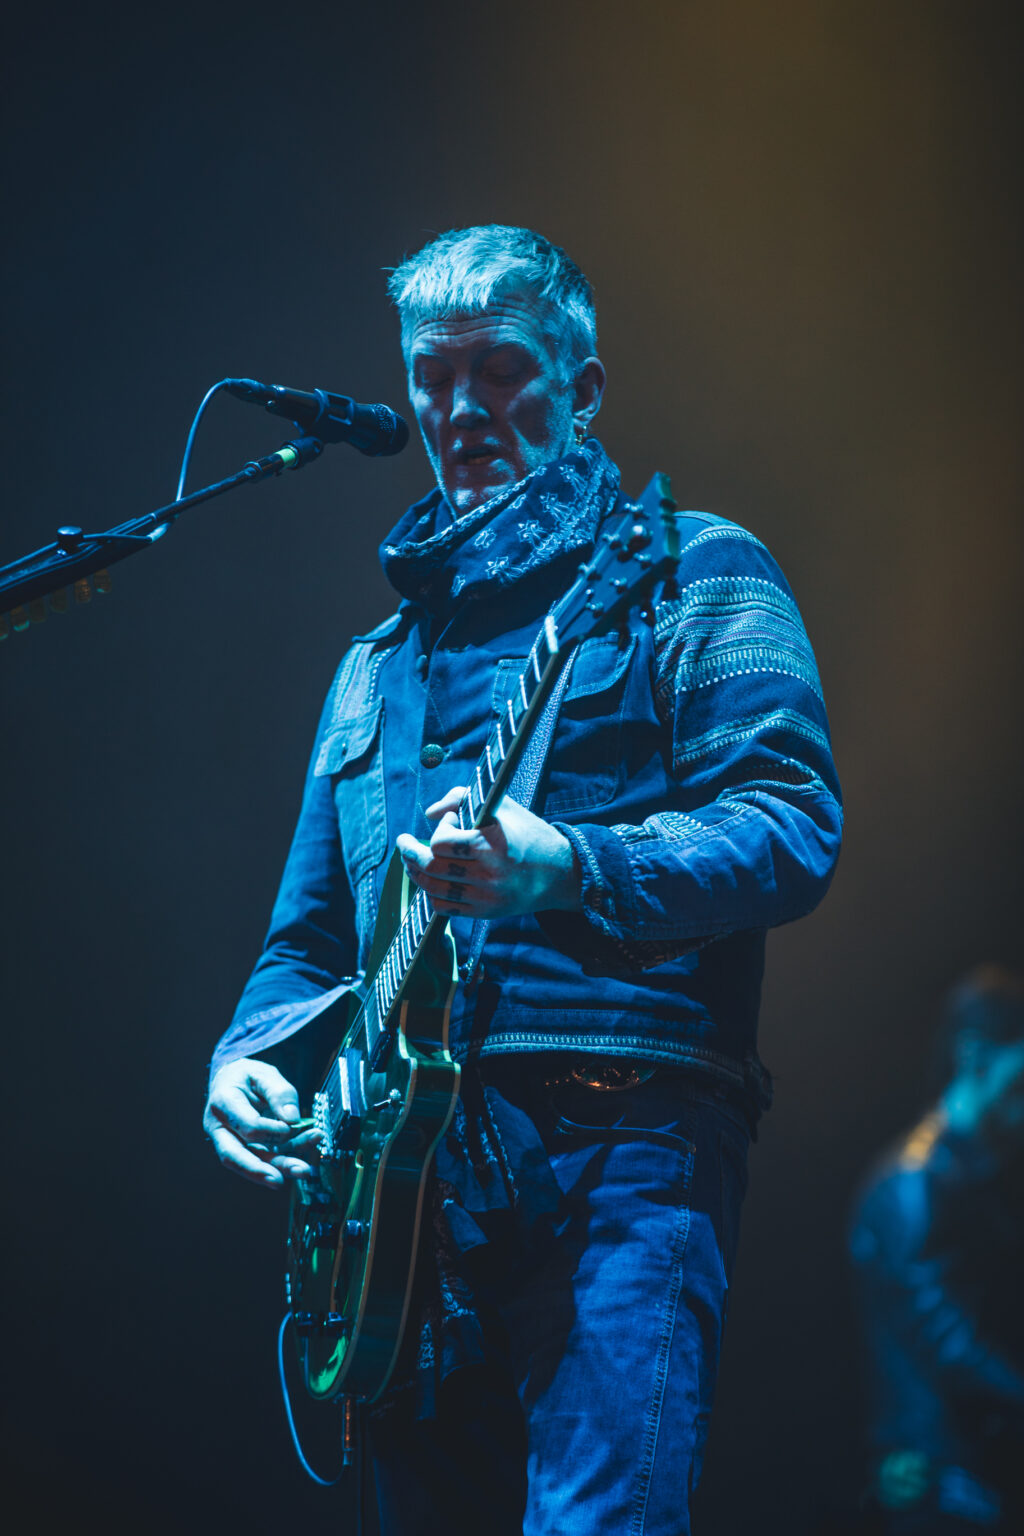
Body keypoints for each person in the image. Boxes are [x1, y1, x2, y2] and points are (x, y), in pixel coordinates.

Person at [203, 225, 843, 1534]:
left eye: (501, 372)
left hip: (623, 1160)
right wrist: (241, 1055)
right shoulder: (375, 667)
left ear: (585, 387)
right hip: (400, 1202)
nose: (459, 410)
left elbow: (792, 822)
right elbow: (307, 942)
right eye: (433, 380)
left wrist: (573, 867)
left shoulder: (690, 571)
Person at [848, 966, 1024, 1534]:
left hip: (974, 1478)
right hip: (943, 1489)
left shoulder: (970, 1178)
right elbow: (950, 1341)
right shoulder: (912, 1184)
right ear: (974, 1057)